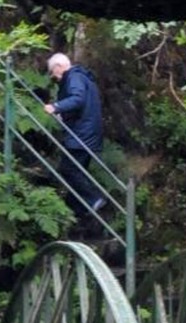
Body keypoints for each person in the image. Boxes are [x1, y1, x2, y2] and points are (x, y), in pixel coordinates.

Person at [43, 53, 106, 216]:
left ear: (58, 67)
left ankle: (93, 199)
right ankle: (77, 212)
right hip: (88, 133)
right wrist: (64, 115)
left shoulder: (74, 77)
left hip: (81, 136)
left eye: (52, 73)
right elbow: (82, 106)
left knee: (68, 169)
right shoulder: (83, 78)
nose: (54, 77)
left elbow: (78, 99)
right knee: (77, 172)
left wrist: (56, 106)